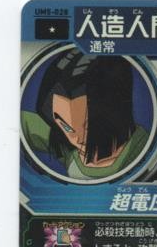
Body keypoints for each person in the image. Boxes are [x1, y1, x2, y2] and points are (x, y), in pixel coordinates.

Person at [22, 48, 148, 180]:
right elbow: (20, 122)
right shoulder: (68, 146)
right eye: (65, 126)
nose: (75, 138)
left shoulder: (142, 151)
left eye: (87, 126)